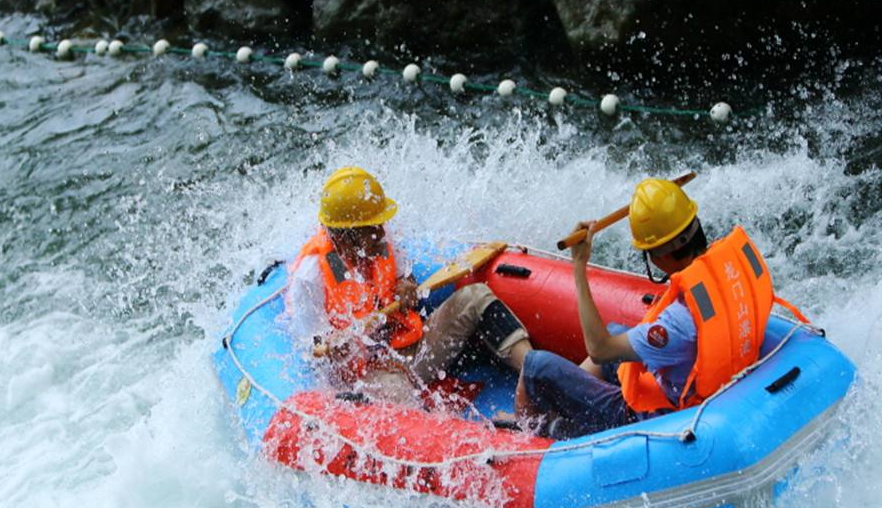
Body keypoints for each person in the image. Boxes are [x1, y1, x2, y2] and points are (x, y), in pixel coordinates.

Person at [515, 177, 795, 440]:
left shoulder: (677, 324)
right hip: (704, 386)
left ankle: (526, 432)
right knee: (615, 332)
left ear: (659, 258)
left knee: (535, 365)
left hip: (659, 419)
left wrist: (579, 266)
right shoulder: (725, 274)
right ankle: (563, 406)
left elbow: (598, 349)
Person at [287, 166, 533, 403]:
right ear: (344, 238)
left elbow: (405, 279)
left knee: (475, 296)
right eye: (372, 229)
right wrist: (333, 346)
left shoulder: (379, 240)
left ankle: (534, 370)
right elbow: (312, 347)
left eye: (380, 224)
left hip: (412, 350)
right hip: (368, 376)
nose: (382, 233)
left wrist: (406, 286)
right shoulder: (311, 276)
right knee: (397, 392)